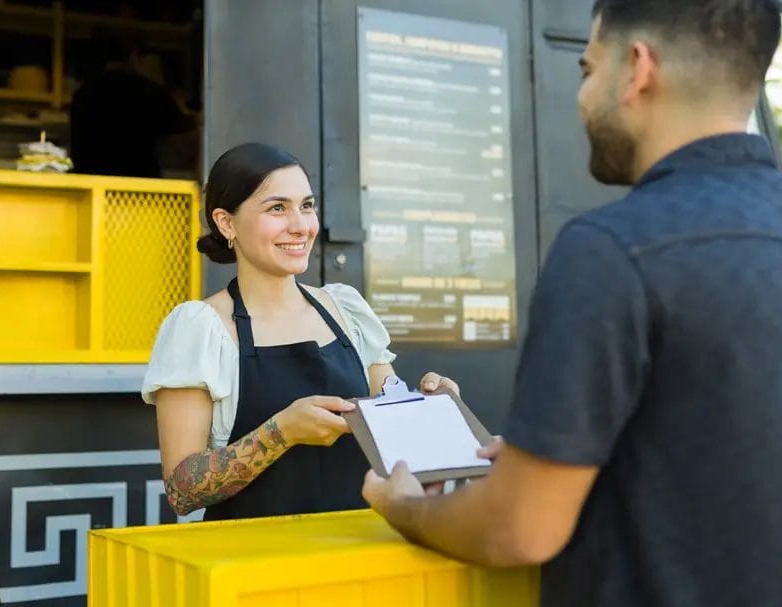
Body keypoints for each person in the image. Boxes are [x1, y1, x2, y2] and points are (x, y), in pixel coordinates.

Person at [362, 1, 782, 606]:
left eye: (587, 70)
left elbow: (519, 530)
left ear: (637, 69)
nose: (582, 98)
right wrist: (572, 456)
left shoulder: (612, 250)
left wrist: (404, 508)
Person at [142, 142, 459, 520]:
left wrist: (434, 410)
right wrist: (281, 433)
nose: (301, 226)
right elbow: (182, 491)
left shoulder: (345, 311)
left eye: (306, 206)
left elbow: (396, 437)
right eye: (277, 208)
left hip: (359, 548)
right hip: (252, 563)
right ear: (226, 222)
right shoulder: (200, 327)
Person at [70, 31, 195, 178]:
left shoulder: (83, 95)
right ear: (132, 55)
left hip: (91, 186)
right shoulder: (150, 92)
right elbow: (186, 148)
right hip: (138, 190)